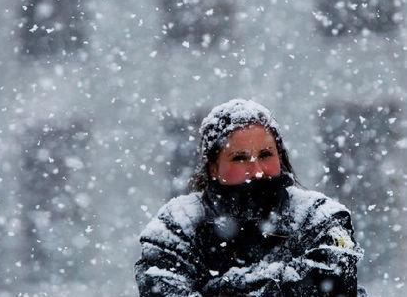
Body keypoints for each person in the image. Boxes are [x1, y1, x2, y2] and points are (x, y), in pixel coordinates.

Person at [135, 99, 367, 296]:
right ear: (213, 168)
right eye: (239, 158)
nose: (256, 170)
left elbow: (334, 285)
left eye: (265, 154)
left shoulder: (320, 218)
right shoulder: (177, 226)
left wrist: (217, 288)